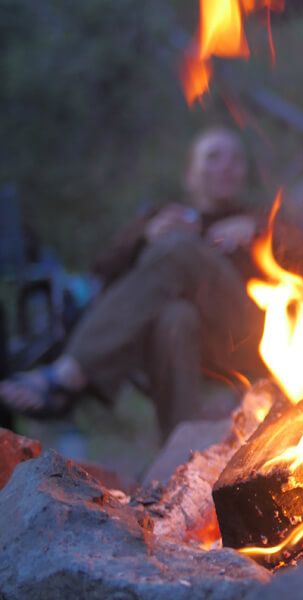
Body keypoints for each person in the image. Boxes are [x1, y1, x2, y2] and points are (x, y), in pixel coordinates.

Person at [0, 126, 268, 441]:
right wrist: (144, 237)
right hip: (182, 344)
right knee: (175, 316)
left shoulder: (261, 218)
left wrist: (259, 232)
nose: (226, 165)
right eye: (213, 157)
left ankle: (70, 373)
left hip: (247, 335)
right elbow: (103, 272)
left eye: (236, 159)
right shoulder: (161, 217)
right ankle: (183, 453)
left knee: (178, 249)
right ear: (189, 175)